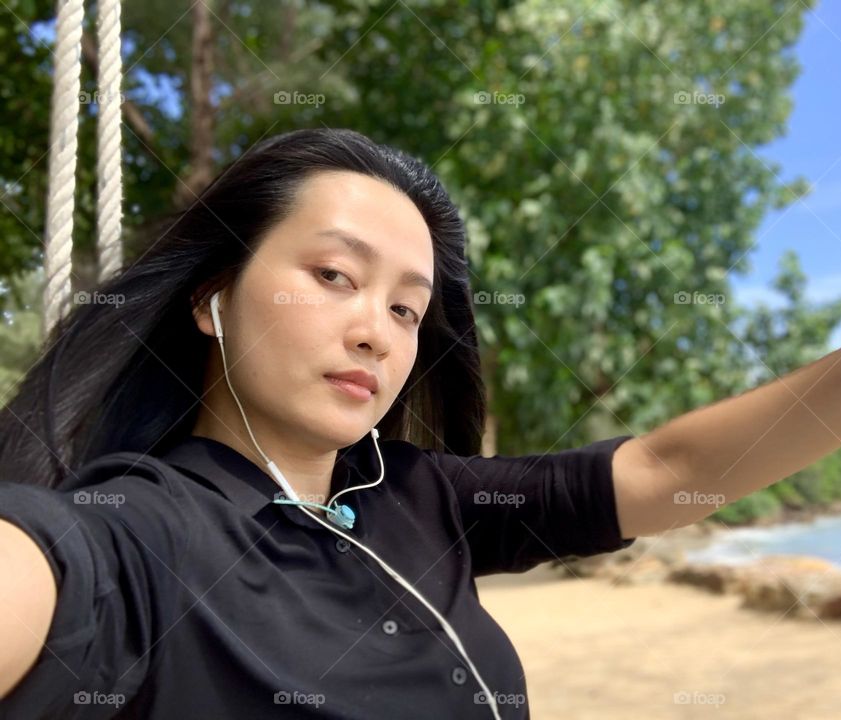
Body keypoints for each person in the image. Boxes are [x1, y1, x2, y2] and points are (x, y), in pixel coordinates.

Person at [0, 128, 636, 719]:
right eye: (334, 276)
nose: (376, 336)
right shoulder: (139, 536)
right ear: (211, 295)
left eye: (405, 310)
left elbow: (662, 473)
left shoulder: (420, 493)